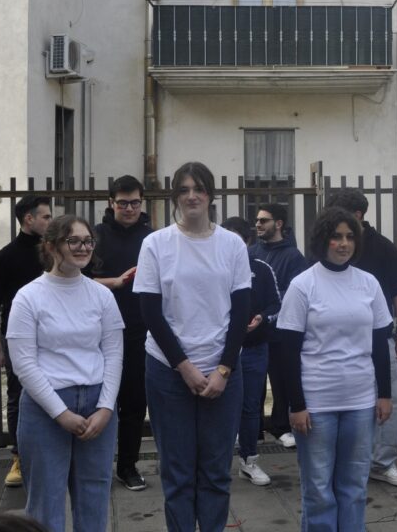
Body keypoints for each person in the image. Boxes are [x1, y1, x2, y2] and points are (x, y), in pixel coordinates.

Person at [133, 162, 251, 532]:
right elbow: (150, 312)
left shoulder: (231, 244)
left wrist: (223, 369)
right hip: (168, 372)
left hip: (223, 370)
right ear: (175, 197)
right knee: (178, 471)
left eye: (198, 188)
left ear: (211, 195)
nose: (191, 196)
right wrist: (184, 367)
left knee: (216, 470)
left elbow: (242, 310)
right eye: (183, 190)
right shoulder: (156, 244)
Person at [277, 206, 393, 532]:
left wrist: (384, 394)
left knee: (354, 486)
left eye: (349, 237)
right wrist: (296, 405)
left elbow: (380, 344)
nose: (343, 244)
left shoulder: (369, 284)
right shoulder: (303, 285)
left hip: (360, 400)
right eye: (336, 237)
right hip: (317, 404)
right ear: (322, 240)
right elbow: (288, 352)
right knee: (318, 489)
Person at [7, 215, 124, 532]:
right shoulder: (29, 297)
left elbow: (113, 354)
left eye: (88, 241)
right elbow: (24, 364)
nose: (83, 247)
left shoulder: (101, 295)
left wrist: (105, 408)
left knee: (94, 496)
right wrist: (60, 413)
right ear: (51, 246)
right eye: (74, 241)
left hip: (97, 404)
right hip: (47, 407)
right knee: (45, 503)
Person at [326, 188, 397, 488]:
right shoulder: (327, 246)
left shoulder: (383, 248)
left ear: (358, 216)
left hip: (380, 335)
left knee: (391, 398)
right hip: (337, 339)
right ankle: (347, 460)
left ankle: (383, 462)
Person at [88, 175, 152, 491]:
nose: (129, 208)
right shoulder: (94, 237)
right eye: (123, 203)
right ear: (110, 203)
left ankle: (127, 466)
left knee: (134, 402)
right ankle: (93, 465)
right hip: (96, 333)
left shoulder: (153, 239)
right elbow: (74, 278)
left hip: (140, 331)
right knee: (97, 401)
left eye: (135, 203)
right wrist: (113, 282)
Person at [0, 195, 51, 488]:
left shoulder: (54, 253)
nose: (51, 221)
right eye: (46, 217)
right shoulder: (5, 257)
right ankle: (20, 457)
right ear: (29, 219)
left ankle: (54, 452)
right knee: (19, 396)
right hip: (19, 339)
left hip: (54, 336)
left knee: (58, 390)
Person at [221, 216, 282, 487]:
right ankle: (218, 463)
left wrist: (261, 318)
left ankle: (249, 460)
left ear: (247, 241)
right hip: (220, 351)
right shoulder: (213, 269)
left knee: (250, 407)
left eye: (238, 240)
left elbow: (277, 304)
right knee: (220, 406)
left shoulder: (261, 268)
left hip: (255, 348)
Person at [250, 202, 307, 450]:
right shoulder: (252, 252)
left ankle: (282, 426)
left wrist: (269, 305)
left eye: (264, 220)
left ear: (279, 224)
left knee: (282, 380)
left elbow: (294, 291)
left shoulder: (293, 256)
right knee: (254, 383)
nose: (258, 224)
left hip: (282, 330)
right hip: (254, 330)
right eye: (257, 220)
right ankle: (254, 429)